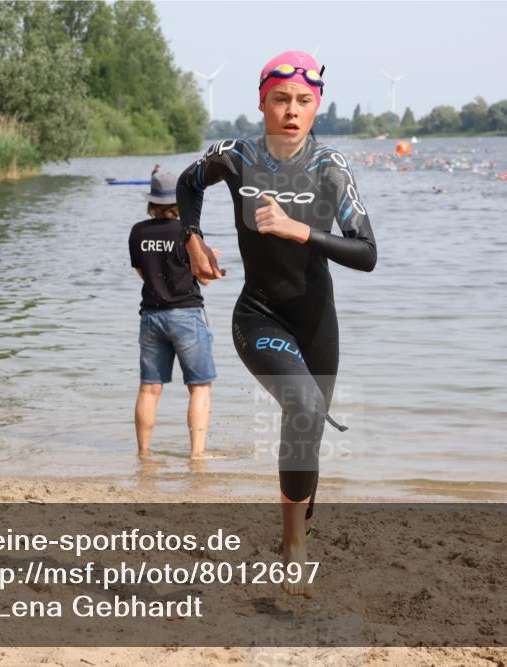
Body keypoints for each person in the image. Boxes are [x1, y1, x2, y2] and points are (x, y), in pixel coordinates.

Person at [176, 50, 377, 597]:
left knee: (307, 435)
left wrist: (300, 231)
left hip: (316, 321)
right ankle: (294, 546)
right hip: (259, 313)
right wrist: (190, 237)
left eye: (303, 101)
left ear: (318, 106)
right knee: (305, 407)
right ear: (261, 102)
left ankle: (298, 527)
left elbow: (367, 254)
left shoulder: (329, 168)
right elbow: (188, 181)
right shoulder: (236, 156)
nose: (291, 110)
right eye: (280, 99)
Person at [129, 171, 217, 460]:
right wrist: (211, 259)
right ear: (179, 201)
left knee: (149, 388)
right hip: (186, 314)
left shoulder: (138, 232)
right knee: (200, 387)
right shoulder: (187, 233)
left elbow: (145, 275)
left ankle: (143, 453)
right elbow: (204, 279)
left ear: (152, 201)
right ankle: (197, 454)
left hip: (151, 316)